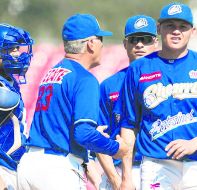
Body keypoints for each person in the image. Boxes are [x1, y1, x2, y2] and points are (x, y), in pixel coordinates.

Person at [120, 2, 197, 190]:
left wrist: (195, 143)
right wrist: (126, 177)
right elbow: (128, 125)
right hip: (155, 163)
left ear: (193, 31)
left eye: (182, 27)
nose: (176, 31)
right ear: (159, 28)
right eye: (170, 26)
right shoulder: (139, 69)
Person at [17, 13, 128, 190]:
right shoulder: (85, 79)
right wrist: (116, 148)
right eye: (100, 39)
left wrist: (94, 133)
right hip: (56, 169)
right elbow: (83, 134)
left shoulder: (52, 72)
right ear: (91, 43)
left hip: (29, 165)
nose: (102, 44)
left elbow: (62, 122)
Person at [93, 15, 159, 190]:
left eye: (145, 39)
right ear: (125, 44)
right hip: (119, 169)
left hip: (161, 168)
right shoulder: (109, 85)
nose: (139, 45)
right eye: (133, 40)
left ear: (156, 42)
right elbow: (99, 137)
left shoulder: (169, 80)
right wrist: (116, 180)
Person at [0, 23, 34, 189]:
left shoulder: (11, 83)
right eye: (12, 49)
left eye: (17, 49)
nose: (18, 54)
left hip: (15, 168)